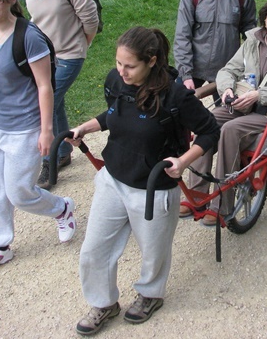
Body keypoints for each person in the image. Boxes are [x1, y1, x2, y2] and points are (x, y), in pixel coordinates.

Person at [67, 27, 219, 335]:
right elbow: (115, 113)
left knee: (154, 252)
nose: (121, 71)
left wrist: (184, 161)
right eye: (119, 63)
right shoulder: (117, 81)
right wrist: (86, 128)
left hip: (153, 189)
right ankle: (104, 303)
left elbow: (209, 131)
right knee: (93, 250)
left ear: (151, 61)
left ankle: (150, 295)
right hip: (113, 180)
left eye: (129, 66)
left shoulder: (176, 95)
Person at [0, 0, 77, 275]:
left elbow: (45, 86)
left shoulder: (28, 37)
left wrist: (46, 130)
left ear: (11, 0)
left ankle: (62, 208)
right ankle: (0, 246)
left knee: (18, 191)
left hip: (23, 127)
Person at [186, 0, 267, 226]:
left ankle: (221, 206)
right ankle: (197, 194)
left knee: (231, 130)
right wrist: (227, 90)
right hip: (243, 106)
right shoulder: (253, 40)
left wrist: (259, 95)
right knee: (206, 122)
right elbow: (228, 70)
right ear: (264, 21)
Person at [22, 0, 100, 189]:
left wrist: (80, 45)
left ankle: (48, 162)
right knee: (55, 103)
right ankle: (63, 153)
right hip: (44, 56)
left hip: (69, 55)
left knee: (46, 103)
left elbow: (90, 19)